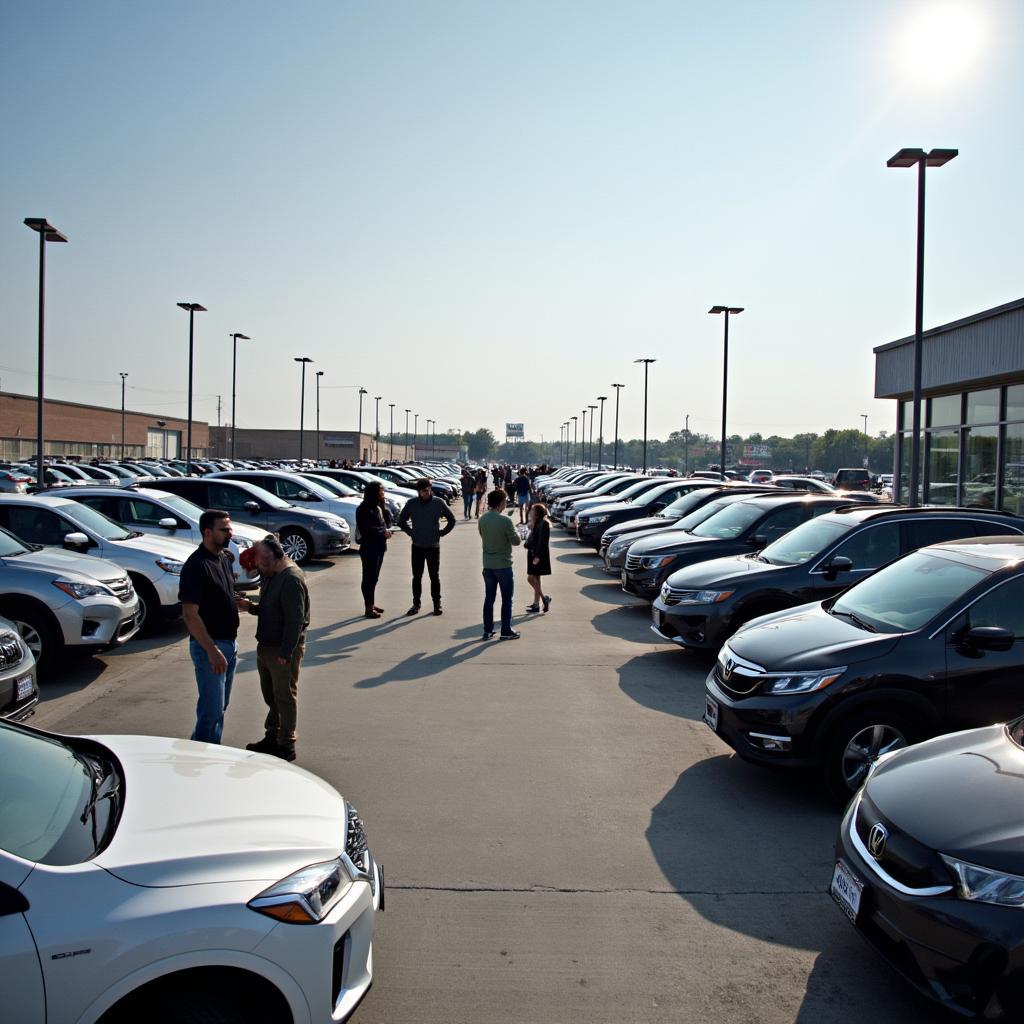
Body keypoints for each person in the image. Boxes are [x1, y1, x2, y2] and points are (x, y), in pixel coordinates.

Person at [237, 535, 310, 762]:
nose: (256, 566)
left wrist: (286, 653)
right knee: (272, 696)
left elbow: (295, 621)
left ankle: (286, 744)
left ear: (270, 556)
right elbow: (271, 608)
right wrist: (251, 607)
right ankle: (272, 736)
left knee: (285, 696)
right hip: (266, 646)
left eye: (258, 560)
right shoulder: (270, 575)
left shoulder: (291, 579)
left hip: (282, 650)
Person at [179, 509, 239, 744]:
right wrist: (212, 651)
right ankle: (200, 757)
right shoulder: (196, 566)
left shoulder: (222, 558)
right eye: (224, 530)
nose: (230, 533)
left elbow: (220, 595)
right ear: (207, 532)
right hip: (210, 648)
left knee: (220, 706)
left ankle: (210, 751)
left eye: (230, 528)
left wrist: (237, 603)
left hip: (229, 643)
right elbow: (190, 615)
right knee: (211, 709)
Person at [397, 478, 456, 615]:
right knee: (417, 577)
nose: (426, 493)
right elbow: (401, 520)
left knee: (434, 576)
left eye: (428, 490)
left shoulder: (438, 503)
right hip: (417, 545)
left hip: (433, 546)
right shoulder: (412, 504)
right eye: (423, 491)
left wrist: (442, 533)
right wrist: (410, 532)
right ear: (418, 491)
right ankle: (416, 604)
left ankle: (437, 603)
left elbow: (451, 519)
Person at [478, 488, 522, 640]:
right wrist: (515, 530)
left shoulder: (483, 519)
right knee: (506, 599)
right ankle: (505, 629)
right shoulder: (505, 521)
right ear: (501, 503)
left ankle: (487, 630)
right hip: (503, 564)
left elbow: (482, 535)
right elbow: (516, 541)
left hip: (488, 564)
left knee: (489, 599)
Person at [356, 481, 392, 618]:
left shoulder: (378, 507)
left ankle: (371, 602)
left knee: (374, 578)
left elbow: (384, 523)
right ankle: (368, 608)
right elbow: (366, 529)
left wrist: (384, 507)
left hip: (379, 547)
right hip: (369, 548)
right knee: (369, 578)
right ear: (374, 493)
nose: (383, 494)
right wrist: (382, 533)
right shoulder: (364, 508)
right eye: (381, 492)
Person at [524, 502, 553, 613]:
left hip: (537, 555)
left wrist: (537, 556)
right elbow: (532, 538)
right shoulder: (536, 523)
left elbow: (542, 542)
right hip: (533, 553)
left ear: (537, 513)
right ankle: (536, 604)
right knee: (536, 579)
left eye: (532, 510)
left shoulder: (544, 523)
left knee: (531, 578)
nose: (530, 512)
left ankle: (544, 598)